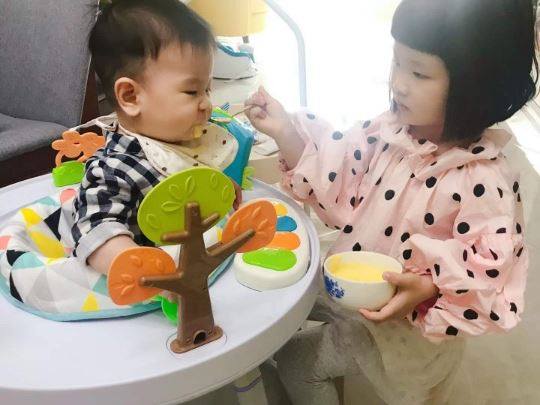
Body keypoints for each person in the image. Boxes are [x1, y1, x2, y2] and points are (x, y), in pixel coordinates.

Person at [245, 0, 537, 403]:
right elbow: (336, 172)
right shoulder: (393, 131)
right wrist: (284, 131)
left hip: (407, 332)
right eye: (396, 62)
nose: (398, 83)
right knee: (280, 301)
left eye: (419, 72)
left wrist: (428, 286)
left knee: (298, 360)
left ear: (476, 84)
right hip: (358, 292)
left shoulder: (482, 180)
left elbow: (488, 273)